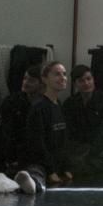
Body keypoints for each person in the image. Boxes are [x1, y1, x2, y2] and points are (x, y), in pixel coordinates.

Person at [14, 62, 72, 194]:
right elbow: (37, 143)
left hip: (55, 160)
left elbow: (63, 140)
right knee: (37, 173)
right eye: (57, 74)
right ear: (45, 79)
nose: (62, 77)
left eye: (64, 74)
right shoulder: (38, 107)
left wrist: (65, 167)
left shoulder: (59, 105)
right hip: (39, 161)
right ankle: (32, 183)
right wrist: (51, 171)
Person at [62, 64, 103, 174]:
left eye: (89, 79)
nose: (86, 83)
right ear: (75, 84)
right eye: (81, 81)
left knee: (80, 163)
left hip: (101, 145)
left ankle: (100, 161)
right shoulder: (69, 103)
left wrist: (92, 151)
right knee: (67, 159)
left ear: (93, 79)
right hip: (79, 147)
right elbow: (68, 131)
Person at [0, 64, 44, 176]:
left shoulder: (47, 103)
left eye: (31, 80)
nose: (25, 82)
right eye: (25, 78)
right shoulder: (11, 101)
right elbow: (7, 133)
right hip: (15, 155)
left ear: (41, 84)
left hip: (39, 156)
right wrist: (11, 158)